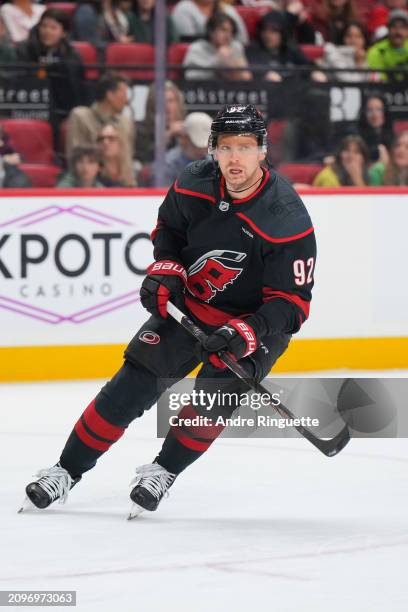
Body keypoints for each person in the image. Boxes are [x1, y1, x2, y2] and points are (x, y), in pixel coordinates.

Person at [21, 105, 316, 517]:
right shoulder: (194, 181)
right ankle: (65, 471)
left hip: (254, 327)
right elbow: (169, 232)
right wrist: (167, 271)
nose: (235, 158)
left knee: (209, 406)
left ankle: (163, 471)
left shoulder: (287, 218)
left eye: (245, 148)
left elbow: (292, 305)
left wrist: (243, 333)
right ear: (212, 148)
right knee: (128, 389)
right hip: (191, 307)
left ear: (262, 151)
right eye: (226, 147)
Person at [16, 9, 85, 121]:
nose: (47, 31)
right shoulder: (26, 49)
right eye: (44, 26)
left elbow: (75, 88)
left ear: (63, 32)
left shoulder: (71, 55)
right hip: (32, 106)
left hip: (62, 107)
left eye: (53, 28)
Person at [65, 72, 134, 162]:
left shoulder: (126, 123)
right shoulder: (80, 117)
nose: (127, 101)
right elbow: (75, 158)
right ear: (110, 95)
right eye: (124, 94)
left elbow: (127, 160)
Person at [245, 10, 325, 82]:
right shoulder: (253, 50)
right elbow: (254, 71)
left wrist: (314, 73)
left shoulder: (290, 49)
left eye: (274, 31)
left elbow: (307, 66)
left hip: (295, 92)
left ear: (282, 34)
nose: (267, 35)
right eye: (264, 30)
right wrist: (264, 75)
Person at [183, 12, 252, 80]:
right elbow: (190, 77)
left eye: (231, 32)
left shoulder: (236, 47)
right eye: (223, 30)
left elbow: (247, 78)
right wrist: (217, 64)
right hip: (205, 89)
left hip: (231, 89)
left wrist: (234, 68)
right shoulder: (197, 49)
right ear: (211, 31)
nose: (228, 36)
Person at [152, 111, 213, 185]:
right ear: (184, 139)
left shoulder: (214, 163)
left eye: (207, 145)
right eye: (196, 146)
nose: (204, 149)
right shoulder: (167, 166)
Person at [136, 81, 186, 164]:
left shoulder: (186, 126)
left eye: (171, 101)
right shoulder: (142, 130)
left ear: (178, 104)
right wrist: (168, 135)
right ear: (152, 105)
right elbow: (145, 159)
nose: (167, 107)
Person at [172, 0, 249, 44]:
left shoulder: (228, 9)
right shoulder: (184, 8)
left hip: (232, 56)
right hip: (200, 57)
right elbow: (187, 43)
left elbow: (242, 41)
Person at [366, 9, 408, 80]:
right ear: (388, 29)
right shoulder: (376, 51)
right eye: (394, 27)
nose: (398, 31)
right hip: (384, 90)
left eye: (402, 27)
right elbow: (376, 80)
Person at [355, 95, 393, 163]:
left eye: (379, 109)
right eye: (369, 110)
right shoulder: (357, 140)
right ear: (364, 113)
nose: (374, 114)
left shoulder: (394, 137)